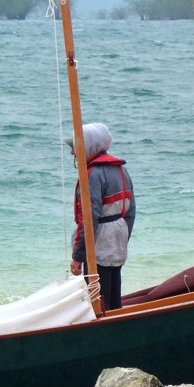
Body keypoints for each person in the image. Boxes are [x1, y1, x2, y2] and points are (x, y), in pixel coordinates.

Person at [69, 123, 135, 312]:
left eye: (76, 147)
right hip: (117, 237)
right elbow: (131, 212)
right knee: (114, 296)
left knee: (98, 299)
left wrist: (78, 256)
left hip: (100, 243)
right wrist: (121, 236)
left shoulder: (93, 174)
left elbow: (89, 218)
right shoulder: (121, 170)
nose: (73, 152)